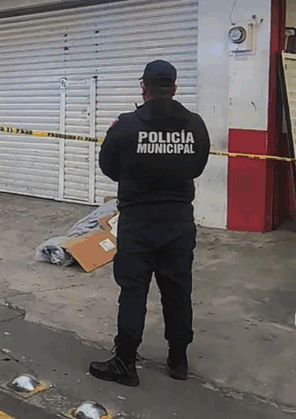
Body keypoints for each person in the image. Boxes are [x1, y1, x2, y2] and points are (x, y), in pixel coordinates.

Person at [88, 59, 211, 387]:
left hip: (138, 222)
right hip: (178, 223)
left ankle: (125, 363)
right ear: (175, 87)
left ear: (143, 88)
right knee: (178, 291)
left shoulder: (126, 125)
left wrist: (137, 175)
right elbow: (197, 166)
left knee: (132, 292)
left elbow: (108, 166)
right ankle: (178, 359)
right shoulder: (195, 125)